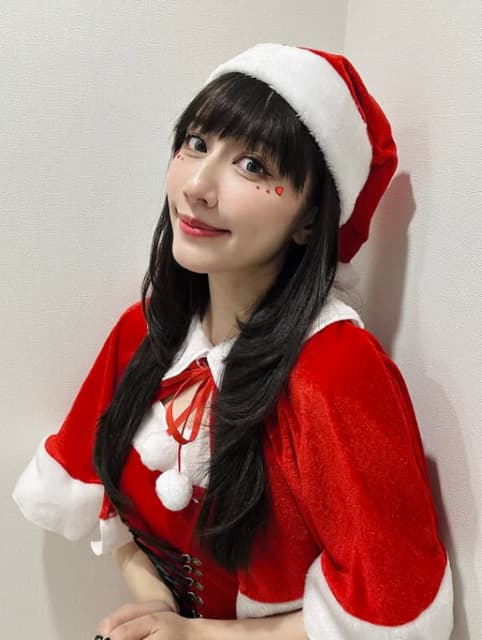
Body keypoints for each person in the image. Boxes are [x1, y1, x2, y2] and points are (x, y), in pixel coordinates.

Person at [13, 43, 453, 640]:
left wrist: (197, 635)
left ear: (309, 218)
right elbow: (102, 493)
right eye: (196, 143)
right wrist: (158, 609)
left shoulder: (335, 371)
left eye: (253, 166)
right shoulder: (146, 331)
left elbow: (393, 606)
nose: (197, 185)